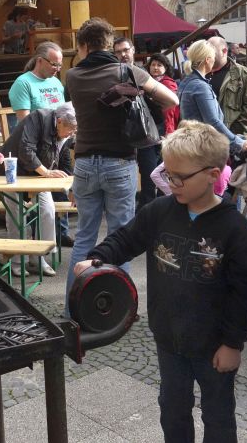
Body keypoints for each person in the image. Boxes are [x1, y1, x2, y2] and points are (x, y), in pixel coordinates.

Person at [73, 120, 247, 443]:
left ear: (213, 175)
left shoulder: (237, 231)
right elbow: (126, 238)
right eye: (168, 173)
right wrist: (98, 258)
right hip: (168, 338)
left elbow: (244, 294)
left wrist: (233, 343)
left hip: (214, 344)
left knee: (218, 415)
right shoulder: (159, 211)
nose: (171, 182)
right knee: (172, 409)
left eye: (179, 177)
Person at [64, 17, 178, 312]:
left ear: (84, 45)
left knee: (84, 237)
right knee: (120, 236)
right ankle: (118, 309)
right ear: (108, 43)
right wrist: (140, 95)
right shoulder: (127, 72)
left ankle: (73, 308)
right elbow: (171, 99)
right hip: (119, 162)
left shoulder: (72, 76)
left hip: (84, 163)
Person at [0, 103, 77, 277]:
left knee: (47, 210)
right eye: (70, 129)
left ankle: (39, 256)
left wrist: (71, 185)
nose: (72, 134)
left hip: (38, 176)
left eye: (74, 130)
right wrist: (47, 172)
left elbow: (65, 159)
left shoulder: (65, 131)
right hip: (13, 173)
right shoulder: (38, 117)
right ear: (59, 121)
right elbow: (26, 149)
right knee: (17, 215)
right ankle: (17, 261)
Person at [113, 38, 168, 209]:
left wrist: (161, 132)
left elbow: (164, 105)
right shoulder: (114, 75)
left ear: (133, 50)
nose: (123, 54)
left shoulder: (144, 75)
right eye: (118, 52)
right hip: (123, 135)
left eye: (125, 50)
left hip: (146, 134)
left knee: (150, 175)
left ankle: (149, 210)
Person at [178, 40, 247, 155]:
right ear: (207, 60)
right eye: (213, 57)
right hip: (202, 147)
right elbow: (213, 121)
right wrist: (238, 142)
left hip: (193, 144)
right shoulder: (200, 86)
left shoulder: (187, 82)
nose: (214, 61)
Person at [208, 36, 247, 135]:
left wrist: (235, 132)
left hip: (232, 136)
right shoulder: (202, 73)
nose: (208, 55)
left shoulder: (242, 74)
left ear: (224, 51)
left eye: (211, 51)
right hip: (206, 136)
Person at [8, 41, 65, 121]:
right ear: (39, 60)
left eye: (60, 65)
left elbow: (63, 112)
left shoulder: (56, 82)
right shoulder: (23, 83)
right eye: (54, 64)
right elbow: (24, 122)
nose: (58, 69)